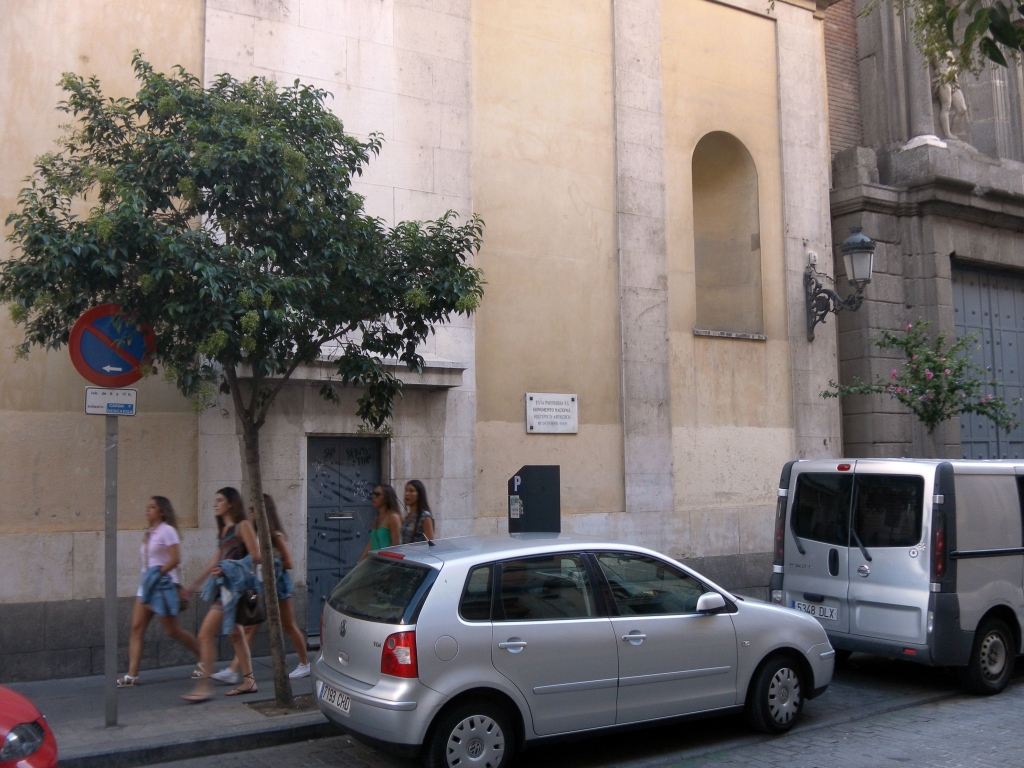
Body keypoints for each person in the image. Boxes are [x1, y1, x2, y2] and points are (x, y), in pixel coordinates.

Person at [210, 494, 311, 683]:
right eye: (249, 509)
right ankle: (233, 670)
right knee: (250, 628)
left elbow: (289, 562)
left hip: (278, 584)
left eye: (253, 509)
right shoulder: (255, 533)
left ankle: (305, 663)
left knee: (288, 625)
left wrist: (269, 562)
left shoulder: (274, 535)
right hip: (260, 585)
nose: (250, 512)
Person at [181, 487, 260, 702]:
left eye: (219, 500)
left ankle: (204, 686)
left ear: (231, 504)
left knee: (204, 635)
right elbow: (214, 561)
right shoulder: (224, 531)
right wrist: (194, 584)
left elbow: (256, 556)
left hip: (234, 590)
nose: (215, 504)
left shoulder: (242, 526)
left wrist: (228, 567)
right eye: (215, 500)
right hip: (224, 589)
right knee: (236, 635)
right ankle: (249, 681)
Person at [116, 497, 201, 687]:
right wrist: (150, 578)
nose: (148, 509)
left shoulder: (167, 531)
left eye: (153, 507)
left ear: (162, 511)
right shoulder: (150, 532)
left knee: (173, 630)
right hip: (147, 586)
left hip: (162, 586)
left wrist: (158, 573)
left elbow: (175, 559)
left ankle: (205, 658)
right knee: (136, 628)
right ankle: (132, 675)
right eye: (147, 506)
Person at [360, 484, 402, 559]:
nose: (374, 496)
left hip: (387, 562)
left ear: (386, 498)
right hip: (375, 561)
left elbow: (396, 545)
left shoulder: (393, 517)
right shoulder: (377, 518)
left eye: (378, 494)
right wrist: (360, 562)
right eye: (373, 494)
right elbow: (371, 543)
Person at [401, 479, 435, 544]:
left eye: (411, 491)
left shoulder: (425, 517)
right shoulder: (407, 517)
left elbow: (431, 543)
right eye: (406, 490)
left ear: (419, 495)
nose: (407, 494)